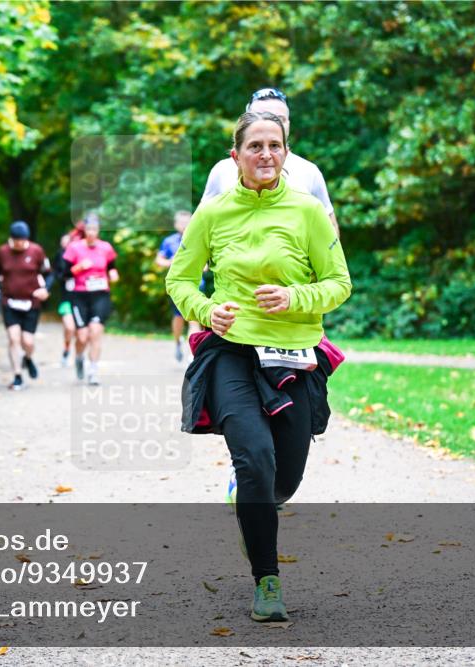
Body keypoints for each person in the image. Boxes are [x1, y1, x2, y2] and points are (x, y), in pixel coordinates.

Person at [166, 111, 351, 622]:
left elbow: (339, 283)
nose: (265, 154)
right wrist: (207, 310)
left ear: (286, 154)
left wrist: (295, 297)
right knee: (254, 459)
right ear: (236, 156)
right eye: (255, 146)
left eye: (275, 145)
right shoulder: (213, 213)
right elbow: (178, 281)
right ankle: (267, 582)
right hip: (231, 350)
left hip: (294, 354)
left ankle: (252, 505)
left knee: (282, 481)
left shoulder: (309, 212)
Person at [202, 87, 340, 237]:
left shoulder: (309, 172)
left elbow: (330, 231)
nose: (270, 124)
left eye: (279, 119)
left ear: (288, 123)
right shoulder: (222, 171)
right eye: (262, 116)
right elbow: (201, 229)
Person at [0, 221, 52, 390]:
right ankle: (17, 375)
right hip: (9, 302)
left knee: (28, 341)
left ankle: (28, 358)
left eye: (23, 240)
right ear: (11, 239)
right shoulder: (2, 252)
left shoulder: (36, 251)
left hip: (31, 302)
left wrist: (45, 289)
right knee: (13, 338)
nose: (20, 243)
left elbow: (49, 274)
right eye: (17, 240)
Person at [63, 213, 118, 386]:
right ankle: (79, 357)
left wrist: (113, 274)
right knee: (82, 336)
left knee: (95, 332)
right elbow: (63, 273)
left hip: (100, 295)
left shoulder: (106, 248)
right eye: (89, 229)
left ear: (98, 230)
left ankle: (93, 371)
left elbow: (112, 267)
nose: (92, 232)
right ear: (84, 230)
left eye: (95, 229)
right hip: (79, 296)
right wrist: (78, 267)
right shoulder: (74, 248)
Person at [155, 210, 199, 362]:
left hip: (196, 287)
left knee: (194, 319)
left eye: (188, 222)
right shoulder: (169, 241)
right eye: (182, 223)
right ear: (176, 224)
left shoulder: (198, 239)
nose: (185, 225)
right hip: (177, 288)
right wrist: (171, 262)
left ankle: (192, 354)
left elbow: (206, 264)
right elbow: (159, 261)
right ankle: (177, 342)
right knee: (179, 318)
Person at [53, 232, 79, 367]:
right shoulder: (60, 256)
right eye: (63, 242)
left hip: (82, 299)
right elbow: (56, 274)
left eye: (68, 241)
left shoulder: (81, 254)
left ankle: (79, 356)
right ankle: (66, 349)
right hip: (66, 299)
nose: (65, 244)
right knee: (69, 327)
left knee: (81, 332)